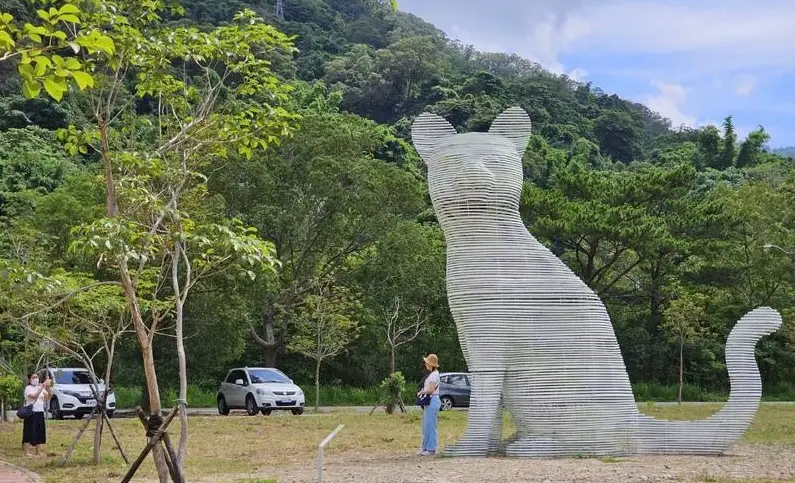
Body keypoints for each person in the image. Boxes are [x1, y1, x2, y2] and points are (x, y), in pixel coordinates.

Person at [417, 353, 441, 456]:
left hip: (432, 400)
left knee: (430, 425)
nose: (425, 365)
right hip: (431, 401)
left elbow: (431, 389)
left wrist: (421, 392)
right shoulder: (433, 374)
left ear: (430, 364)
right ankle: (425, 447)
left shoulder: (433, 375)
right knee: (426, 425)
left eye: (427, 363)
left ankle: (431, 448)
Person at [22, 372, 50, 457]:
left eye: (37, 377)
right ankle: (26, 452)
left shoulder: (39, 387)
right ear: (30, 379)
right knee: (28, 432)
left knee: (39, 431)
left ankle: (38, 452)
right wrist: (41, 387)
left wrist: (48, 387)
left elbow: (48, 397)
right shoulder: (28, 388)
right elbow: (34, 396)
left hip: (40, 412)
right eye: (33, 377)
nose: (35, 379)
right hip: (31, 413)